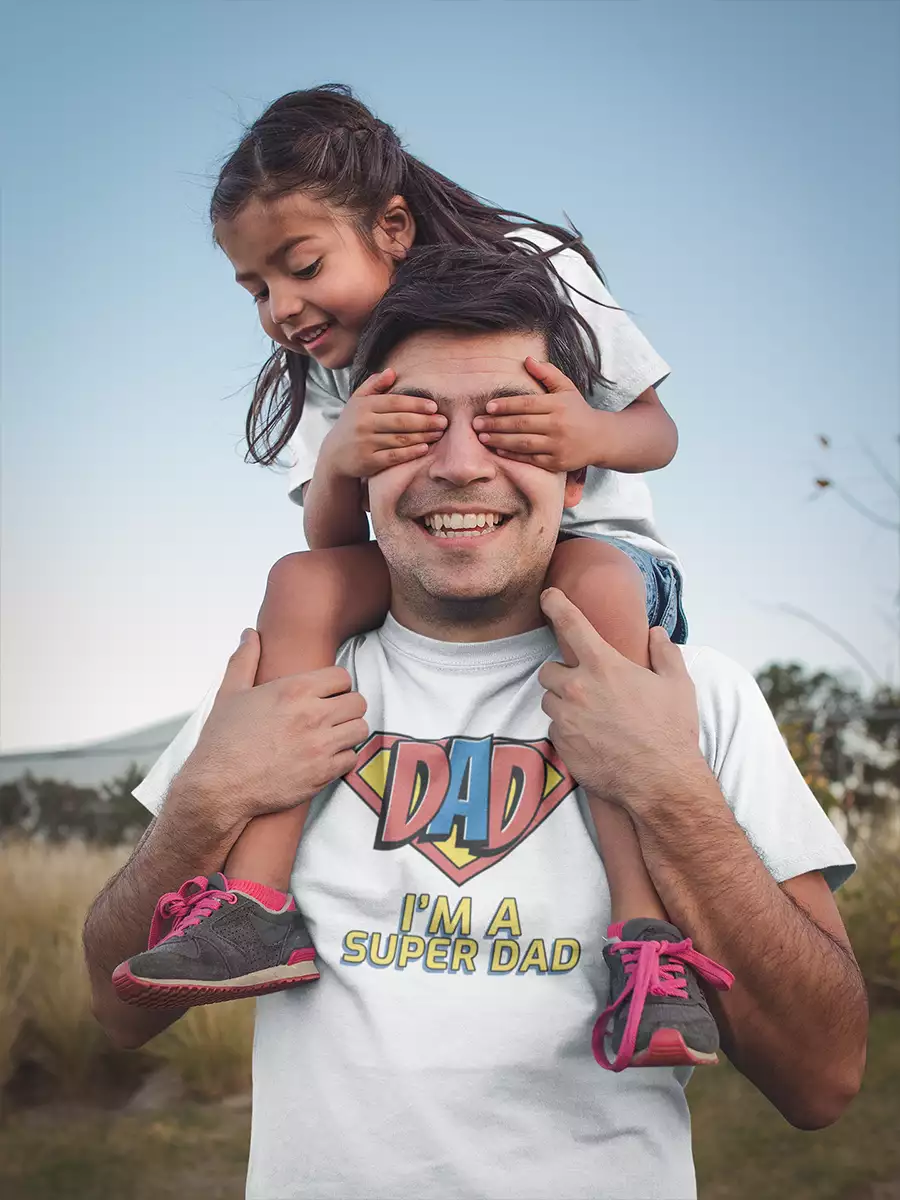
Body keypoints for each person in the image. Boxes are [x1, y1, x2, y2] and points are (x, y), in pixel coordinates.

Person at [84, 246, 866, 1200]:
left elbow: (825, 1080)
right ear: (361, 464)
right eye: (414, 428)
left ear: (579, 476)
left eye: (509, 425)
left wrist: (671, 790)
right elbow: (115, 1012)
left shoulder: (698, 699)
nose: (459, 466)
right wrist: (204, 801)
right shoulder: (275, 691)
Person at [108, 88, 702, 1064]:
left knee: (592, 583)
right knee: (298, 581)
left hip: (600, 554)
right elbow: (336, 538)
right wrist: (343, 453)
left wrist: (582, 434)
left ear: (390, 225)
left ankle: (648, 944)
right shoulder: (332, 370)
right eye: (255, 289)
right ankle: (254, 907)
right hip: (433, 555)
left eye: (300, 268)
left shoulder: (535, 269)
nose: (282, 308)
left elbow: (656, 430)